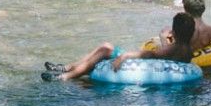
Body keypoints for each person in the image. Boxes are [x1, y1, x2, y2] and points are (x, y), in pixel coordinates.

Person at [42, 12, 196, 81]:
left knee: (106, 48)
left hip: (136, 63)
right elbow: (168, 54)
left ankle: (65, 76)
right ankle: (67, 67)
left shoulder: (171, 48)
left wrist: (125, 56)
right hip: (167, 55)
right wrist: (165, 39)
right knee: (105, 46)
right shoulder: (187, 49)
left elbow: (150, 55)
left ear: (174, 32)